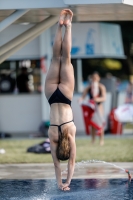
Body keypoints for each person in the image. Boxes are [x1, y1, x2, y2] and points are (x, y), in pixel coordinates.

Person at [45, 9, 76, 191]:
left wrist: (67, 183)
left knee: (66, 59)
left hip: (65, 96)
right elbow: (57, 166)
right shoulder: (52, 136)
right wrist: (60, 183)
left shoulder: (70, 133)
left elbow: (71, 162)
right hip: (51, 96)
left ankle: (68, 26)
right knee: (56, 58)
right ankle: (59, 25)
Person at [79, 72, 106, 145]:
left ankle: (101, 140)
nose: (94, 79)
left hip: (99, 107)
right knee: (92, 124)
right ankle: (93, 140)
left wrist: (98, 99)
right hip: (91, 107)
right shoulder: (89, 87)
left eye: (96, 77)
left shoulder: (101, 87)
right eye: (93, 77)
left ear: (99, 78)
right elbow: (83, 96)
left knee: (100, 123)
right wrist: (81, 99)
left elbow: (104, 97)